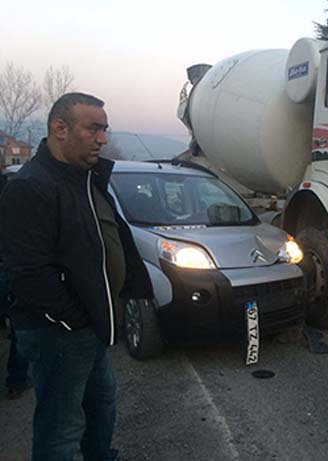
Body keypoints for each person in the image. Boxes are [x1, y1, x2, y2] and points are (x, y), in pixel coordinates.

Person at [0, 93, 152, 460]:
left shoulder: (84, 178)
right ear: (60, 129)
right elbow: (27, 271)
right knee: (61, 427)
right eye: (93, 129)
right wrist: (75, 318)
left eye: (104, 129)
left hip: (88, 326)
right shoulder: (31, 186)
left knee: (101, 407)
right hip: (59, 331)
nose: (102, 138)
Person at [1, 166, 32, 399]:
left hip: (7, 266)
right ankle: (17, 380)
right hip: (8, 266)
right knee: (20, 324)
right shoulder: (11, 190)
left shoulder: (12, 187)